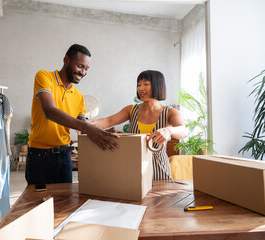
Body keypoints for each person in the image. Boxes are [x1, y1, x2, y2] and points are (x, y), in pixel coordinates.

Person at [26, 44, 119, 185]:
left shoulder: (79, 96)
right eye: (80, 66)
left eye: (87, 69)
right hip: (39, 157)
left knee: (65, 203)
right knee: (39, 201)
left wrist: (102, 132)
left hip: (64, 156)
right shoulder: (44, 77)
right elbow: (49, 111)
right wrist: (88, 128)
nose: (83, 72)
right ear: (66, 60)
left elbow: (83, 127)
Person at [92, 70, 188, 180]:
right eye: (139, 85)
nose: (140, 88)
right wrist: (85, 126)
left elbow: (184, 131)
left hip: (160, 169)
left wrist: (169, 130)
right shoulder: (130, 110)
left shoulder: (170, 112)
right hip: (134, 167)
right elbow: (108, 121)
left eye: (146, 84)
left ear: (158, 86)